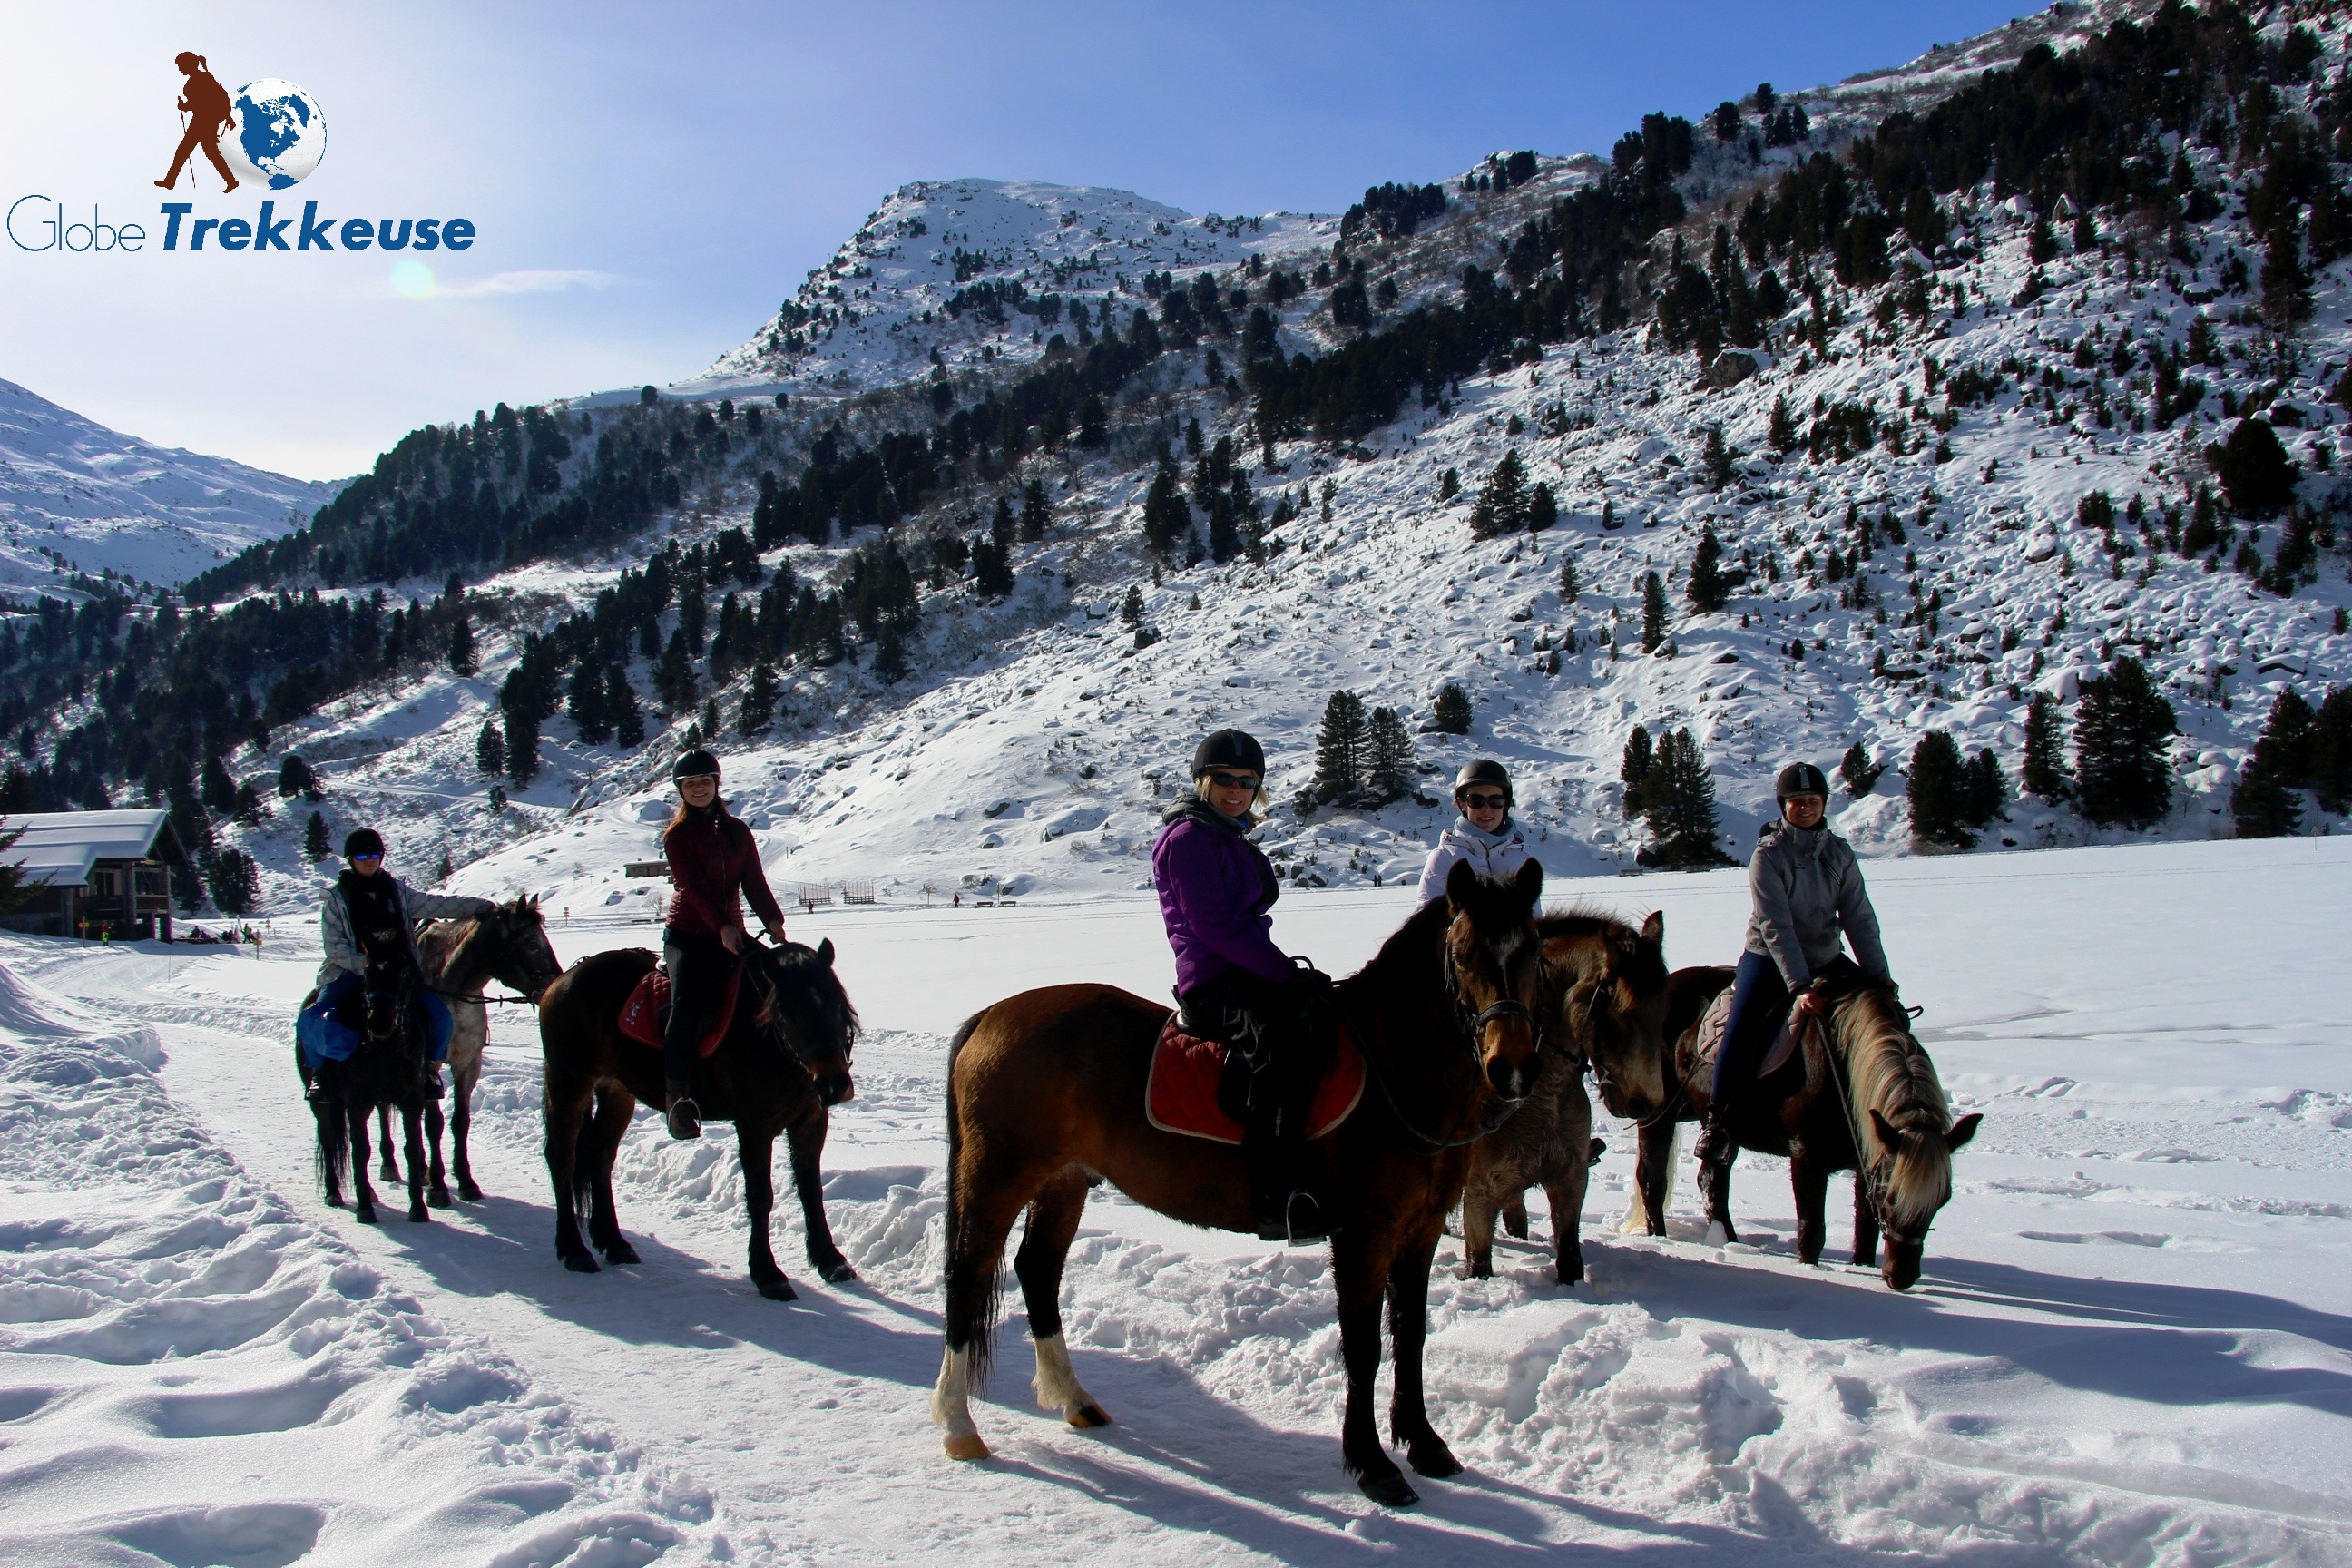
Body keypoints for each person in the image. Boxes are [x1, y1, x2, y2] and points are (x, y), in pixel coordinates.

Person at [1153, 729, 1330, 1245]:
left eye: (1246, 781)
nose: (1235, 790)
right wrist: (1285, 976)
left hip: (1245, 972)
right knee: (1281, 1046)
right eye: (1224, 779)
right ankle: (1279, 1200)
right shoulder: (1189, 839)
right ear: (1202, 782)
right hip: (1213, 982)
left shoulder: (1224, 834)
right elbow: (1215, 927)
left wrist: (1289, 977)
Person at [1694, 761, 1891, 1181]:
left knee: (1884, 1013)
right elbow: (1775, 924)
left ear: (1824, 804)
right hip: (1768, 958)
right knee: (1742, 1027)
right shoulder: (1768, 855)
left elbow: (1859, 916)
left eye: (1813, 801)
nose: (1805, 808)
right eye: (1796, 801)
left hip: (1824, 954)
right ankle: (1718, 1121)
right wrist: (1800, 986)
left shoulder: (1838, 853)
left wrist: (1878, 975)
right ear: (1783, 806)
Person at [661, 748, 787, 1141]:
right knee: (685, 1004)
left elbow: (753, 882)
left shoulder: (738, 832)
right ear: (681, 791)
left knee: (783, 982)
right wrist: (721, 927)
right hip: (687, 935)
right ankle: (677, 1098)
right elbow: (692, 889)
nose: (699, 789)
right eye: (690, 784)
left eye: (705, 781)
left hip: (732, 932)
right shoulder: (677, 836)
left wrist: (773, 918)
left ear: (717, 785)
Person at [311, 829, 499, 1086]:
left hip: (399, 974)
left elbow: (437, 905)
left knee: (439, 1015)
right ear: (350, 859)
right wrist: (367, 965)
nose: (370, 860)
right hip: (350, 971)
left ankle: (430, 1071)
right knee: (316, 1016)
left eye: (375, 854)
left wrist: (481, 906)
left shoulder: (396, 891)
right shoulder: (336, 899)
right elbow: (334, 947)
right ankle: (320, 1074)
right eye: (363, 854)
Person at [1416, 759, 1533, 906]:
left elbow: (1533, 921)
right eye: (1476, 800)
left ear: (1506, 805)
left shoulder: (1521, 861)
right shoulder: (1444, 858)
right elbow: (1428, 922)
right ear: (1463, 804)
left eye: (1495, 801)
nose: (1486, 809)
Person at [156, 52, 239, 193]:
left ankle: (170, 181)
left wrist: (184, 106)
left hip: (204, 121)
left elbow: (203, 102)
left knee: (185, 151)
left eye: (180, 66)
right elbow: (204, 101)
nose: (179, 69)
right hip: (203, 120)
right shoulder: (201, 78)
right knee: (207, 152)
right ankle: (231, 181)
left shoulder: (201, 78)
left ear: (187, 65)